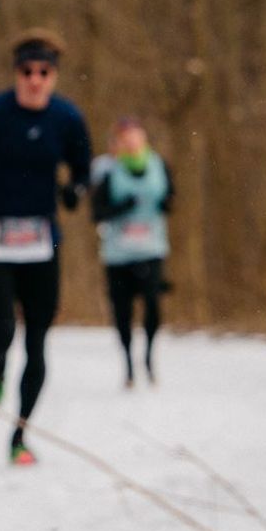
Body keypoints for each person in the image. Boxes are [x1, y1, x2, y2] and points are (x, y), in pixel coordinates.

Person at [0, 33, 91, 466]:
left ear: (54, 76)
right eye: (27, 71)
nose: (35, 79)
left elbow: (83, 169)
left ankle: (20, 434)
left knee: (38, 340)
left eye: (44, 72)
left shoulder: (67, 118)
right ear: (17, 73)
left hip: (42, 241)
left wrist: (74, 191)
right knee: (4, 331)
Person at [90, 118, 173, 387]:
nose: (132, 145)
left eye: (136, 138)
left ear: (144, 140)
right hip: (118, 256)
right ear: (117, 145)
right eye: (126, 140)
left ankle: (148, 357)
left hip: (151, 250)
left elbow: (171, 198)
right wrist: (122, 207)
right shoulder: (108, 173)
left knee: (152, 304)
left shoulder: (159, 166)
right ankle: (128, 364)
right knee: (122, 312)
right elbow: (97, 213)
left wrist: (165, 203)